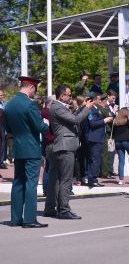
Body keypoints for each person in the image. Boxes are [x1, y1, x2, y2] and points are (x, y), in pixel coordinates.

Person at [4, 76, 49, 228]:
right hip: (31, 148)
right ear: (30, 87)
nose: (34, 93)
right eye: (34, 90)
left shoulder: (9, 105)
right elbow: (39, 127)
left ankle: (15, 219)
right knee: (31, 183)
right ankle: (29, 219)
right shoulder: (30, 105)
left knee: (18, 182)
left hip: (18, 147)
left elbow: (8, 129)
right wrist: (45, 123)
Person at [44, 84, 93, 220]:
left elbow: (72, 119)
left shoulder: (59, 107)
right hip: (64, 146)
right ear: (62, 96)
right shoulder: (57, 106)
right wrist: (87, 109)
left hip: (64, 145)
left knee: (59, 179)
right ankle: (64, 210)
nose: (70, 97)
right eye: (69, 95)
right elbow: (76, 120)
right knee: (65, 180)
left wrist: (83, 107)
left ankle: (56, 208)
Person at [86, 93, 113, 188]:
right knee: (95, 159)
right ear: (94, 100)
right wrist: (104, 121)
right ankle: (92, 179)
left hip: (98, 137)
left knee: (95, 159)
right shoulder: (91, 109)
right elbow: (92, 123)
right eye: (99, 99)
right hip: (94, 138)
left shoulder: (97, 109)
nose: (100, 101)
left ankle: (92, 179)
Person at [112, 107, 129, 185]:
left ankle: (121, 179)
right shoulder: (127, 121)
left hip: (118, 142)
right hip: (127, 141)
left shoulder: (115, 121)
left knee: (121, 161)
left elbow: (113, 132)